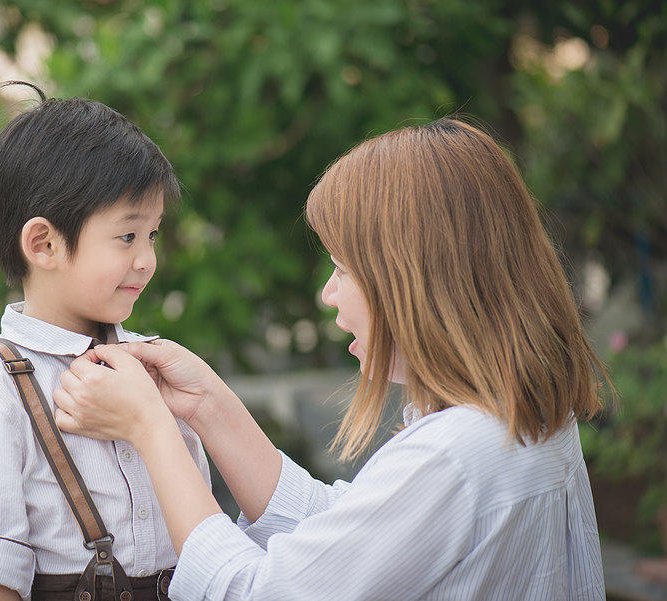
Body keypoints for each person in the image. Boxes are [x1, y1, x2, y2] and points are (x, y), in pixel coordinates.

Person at [52, 118, 611, 600]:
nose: (328, 293)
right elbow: (348, 548)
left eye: (343, 269)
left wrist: (153, 432)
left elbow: (262, 592)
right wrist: (208, 407)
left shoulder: (453, 458)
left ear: (412, 281)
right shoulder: (525, 420)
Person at [0, 82, 210, 601]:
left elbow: (207, 543)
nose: (147, 260)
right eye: (127, 236)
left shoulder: (159, 367)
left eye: (152, 235)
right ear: (44, 244)